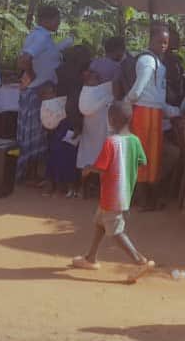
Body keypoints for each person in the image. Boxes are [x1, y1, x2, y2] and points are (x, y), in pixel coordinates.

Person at [71, 101, 155, 283]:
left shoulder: (110, 142)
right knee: (100, 223)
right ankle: (90, 258)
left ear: (111, 119)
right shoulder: (134, 140)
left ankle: (140, 261)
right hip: (124, 192)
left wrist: (87, 169)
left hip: (111, 194)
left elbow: (101, 168)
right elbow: (142, 161)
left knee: (115, 231)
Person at [127, 23, 181, 210]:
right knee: (143, 158)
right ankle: (143, 201)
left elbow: (156, 96)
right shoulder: (148, 62)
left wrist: (175, 111)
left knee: (153, 158)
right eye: (160, 42)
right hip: (143, 114)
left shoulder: (157, 62)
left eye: (166, 42)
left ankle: (148, 200)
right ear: (151, 41)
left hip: (154, 114)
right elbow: (138, 90)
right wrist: (127, 103)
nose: (164, 46)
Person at [17, 5, 72, 181]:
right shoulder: (41, 37)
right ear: (46, 20)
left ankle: (30, 174)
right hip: (38, 91)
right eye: (57, 19)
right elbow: (25, 60)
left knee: (36, 134)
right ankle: (29, 175)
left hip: (39, 89)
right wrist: (33, 77)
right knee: (35, 135)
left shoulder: (41, 36)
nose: (59, 23)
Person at [77, 69, 114, 198]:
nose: (95, 80)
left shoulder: (99, 92)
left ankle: (93, 189)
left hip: (99, 130)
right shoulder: (89, 92)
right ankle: (84, 188)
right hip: (93, 131)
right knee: (91, 158)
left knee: (95, 158)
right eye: (92, 78)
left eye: (97, 77)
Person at [41, 83, 79, 198]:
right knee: (52, 159)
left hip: (66, 136)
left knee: (66, 160)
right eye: (46, 93)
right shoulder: (45, 108)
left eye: (51, 92)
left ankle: (64, 187)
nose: (49, 95)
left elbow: (73, 120)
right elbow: (46, 124)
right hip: (53, 138)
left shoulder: (63, 104)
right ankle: (51, 185)